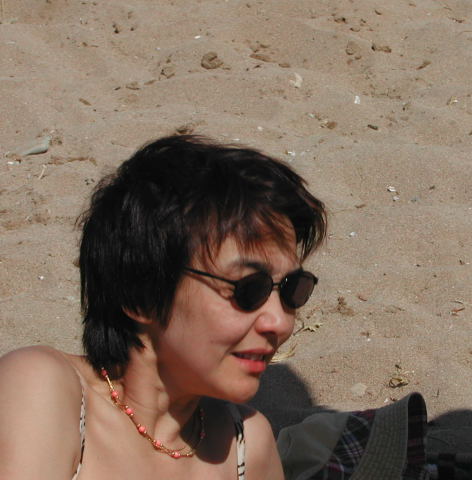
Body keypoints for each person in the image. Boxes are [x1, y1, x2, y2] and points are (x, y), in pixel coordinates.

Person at [0, 135, 327, 479]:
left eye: (292, 290)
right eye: (249, 289)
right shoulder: (45, 389)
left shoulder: (246, 444)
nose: (279, 321)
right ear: (141, 294)